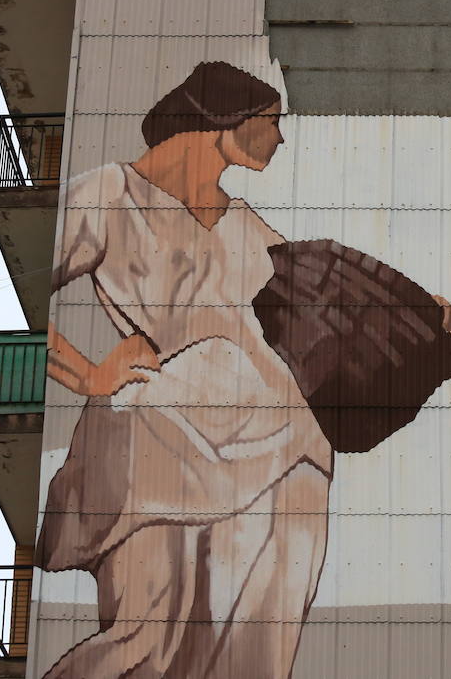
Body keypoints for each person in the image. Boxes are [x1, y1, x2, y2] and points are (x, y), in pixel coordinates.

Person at [38, 62, 330, 678]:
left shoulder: (250, 229)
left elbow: (323, 301)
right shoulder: (109, 196)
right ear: (222, 119)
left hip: (277, 457)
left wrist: (419, 308)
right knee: (145, 640)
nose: (279, 138)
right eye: (271, 122)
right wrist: (91, 376)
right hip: (154, 447)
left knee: (248, 649)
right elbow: (12, 291)